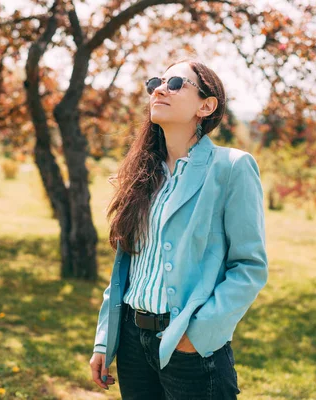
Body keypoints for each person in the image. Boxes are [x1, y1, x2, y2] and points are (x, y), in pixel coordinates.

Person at [89, 58, 269, 399]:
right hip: (131, 341)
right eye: (156, 81)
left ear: (206, 105)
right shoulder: (144, 173)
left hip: (189, 347)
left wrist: (196, 337)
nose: (160, 88)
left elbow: (249, 267)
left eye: (175, 84)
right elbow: (127, 266)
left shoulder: (232, 167)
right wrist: (105, 338)